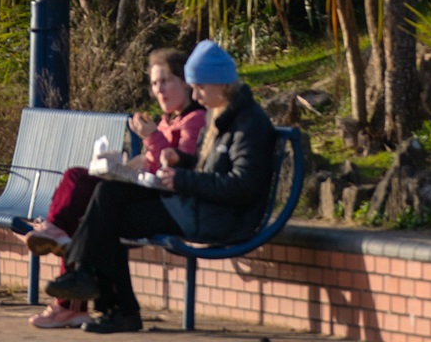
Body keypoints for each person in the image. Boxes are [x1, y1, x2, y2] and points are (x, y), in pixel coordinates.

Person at [46, 41, 277, 335]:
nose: (195, 96)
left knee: (109, 207)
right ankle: (99, 290)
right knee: (108, 198)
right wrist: (182, 160)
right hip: (199, 206)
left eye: (199, 88)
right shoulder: (220, 114)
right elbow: (208, 168)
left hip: (222, 218)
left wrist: (183, 179)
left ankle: (101, 291)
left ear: (220, 83)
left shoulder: (248, 123)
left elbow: (244, 185)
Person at [16, 48, 207, 326]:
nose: (159, 90)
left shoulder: (195, 119)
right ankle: (58, 244)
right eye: (154, 83)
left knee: (88, 200)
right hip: (146, 192)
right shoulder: (169, 120)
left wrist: (152, 139)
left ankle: (70, 294)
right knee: (76, 179)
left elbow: (178, 166)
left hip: (168, 201)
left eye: (166, 81)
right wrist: (127, 166)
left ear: (185, 82)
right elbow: (155, 162)